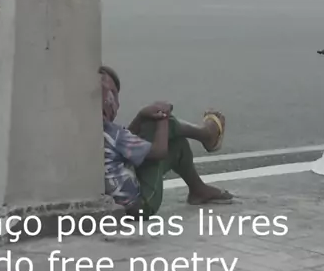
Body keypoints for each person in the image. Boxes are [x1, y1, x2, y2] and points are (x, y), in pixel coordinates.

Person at [99, 65, 234, 217]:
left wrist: (140, 117)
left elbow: (126, 145)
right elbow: (159, 152)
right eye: (112, 94)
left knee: (171, 139)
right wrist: (163, 116)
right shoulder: (113, 133)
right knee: (168, 135)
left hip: (118, 202)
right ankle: (207, 135)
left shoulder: (93, 131)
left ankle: (198, 189)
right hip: (142, 205)